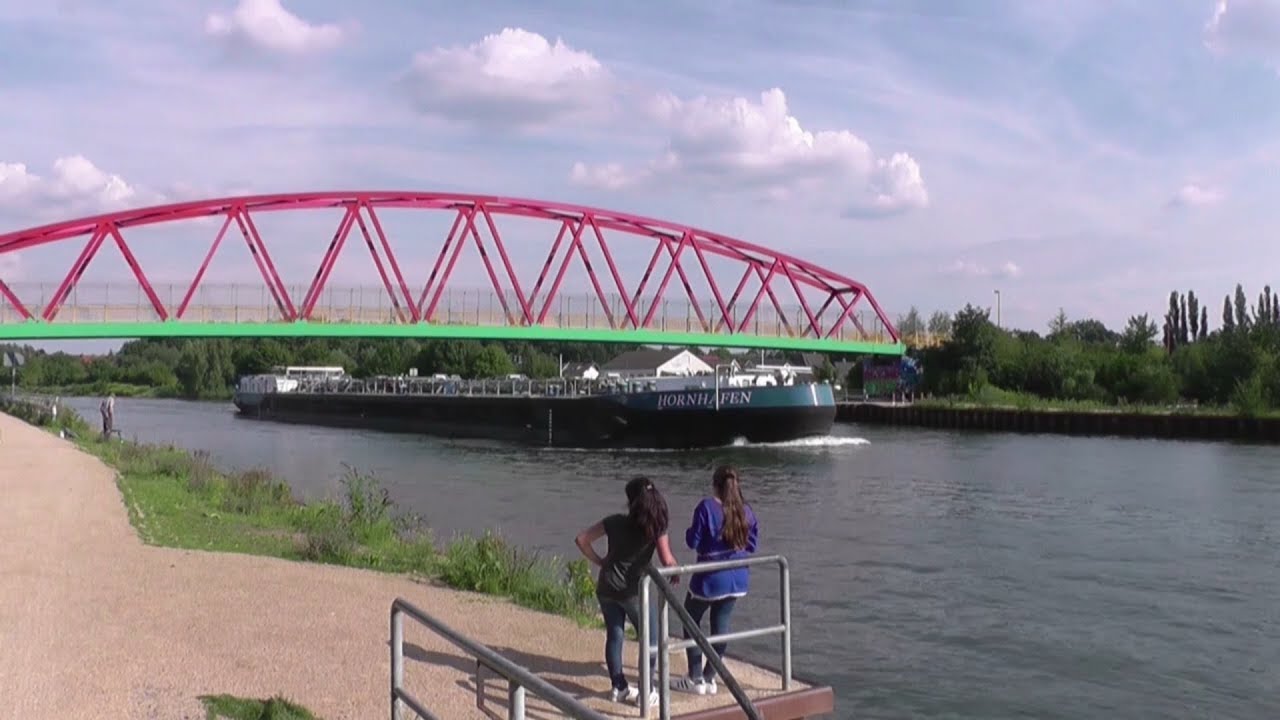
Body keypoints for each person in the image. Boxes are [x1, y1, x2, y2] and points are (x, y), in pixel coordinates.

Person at [575, 476, 679, 706]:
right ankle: (646, 691)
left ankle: (619, 687)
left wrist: (601, 561)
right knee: (650, 639)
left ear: (630, 501)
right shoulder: (655, 526)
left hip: (606, 586)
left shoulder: (614, 522)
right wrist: (676, 570)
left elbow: (582, 540)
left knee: (615, 635)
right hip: (633, 592)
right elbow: (667, 559)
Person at [671, 465, 759, 696]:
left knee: (690, 619)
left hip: (710, 578)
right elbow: (752, 545)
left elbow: (693, 541)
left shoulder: (706, 507)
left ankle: (695, 677)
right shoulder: (747, 511)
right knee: (721, 626)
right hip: (738, 577)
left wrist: (691, 532)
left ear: (715, 485)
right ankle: (710, 677)